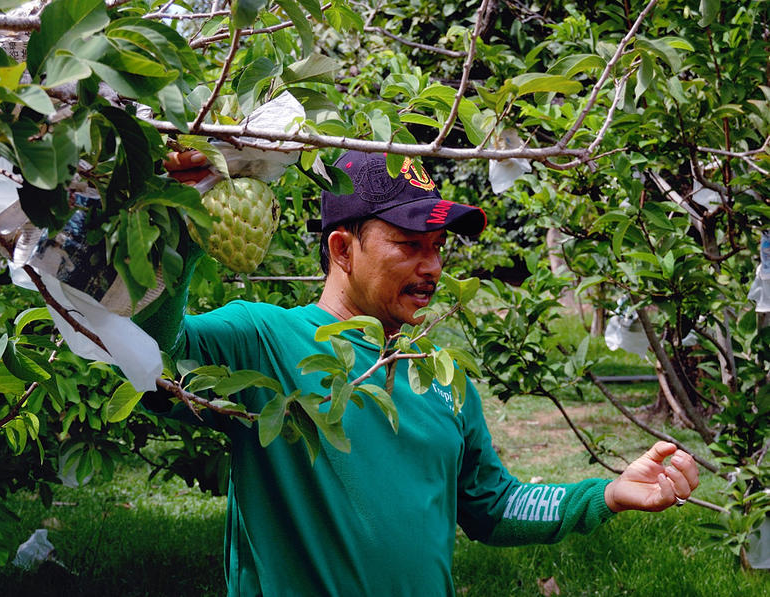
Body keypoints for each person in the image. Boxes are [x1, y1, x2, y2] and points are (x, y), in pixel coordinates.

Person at [138, 150, 699, 597]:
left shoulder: (441, 378)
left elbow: (493, 505)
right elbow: (153, 360)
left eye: (437, 247)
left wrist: (607, 495)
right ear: (342, 249)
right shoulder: (263, 343)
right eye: (408, 245)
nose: (430, 267)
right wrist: (177, 231)